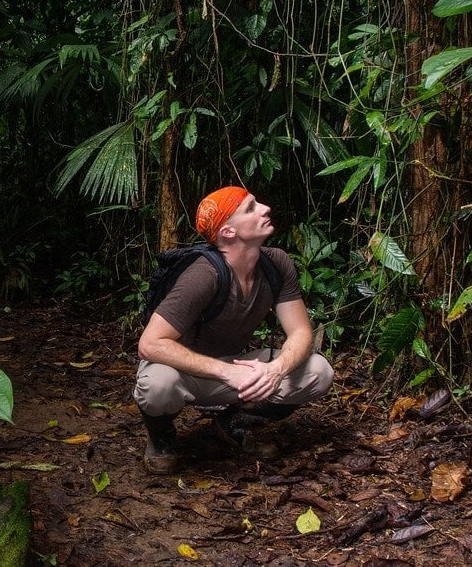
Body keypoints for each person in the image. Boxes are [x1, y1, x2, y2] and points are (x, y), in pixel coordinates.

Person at [133, 186, 334, 474]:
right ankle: (161, 438)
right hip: (187, 374)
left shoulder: (276, 263)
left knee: (318, 371)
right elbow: (150, 344)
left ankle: (231, 424)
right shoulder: (204, 275)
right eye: (251, 208)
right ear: (227, 231)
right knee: (158, 384)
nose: (265, 208)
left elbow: (301, 332)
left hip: (235, 370)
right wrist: (228, 372)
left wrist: (275, 369)